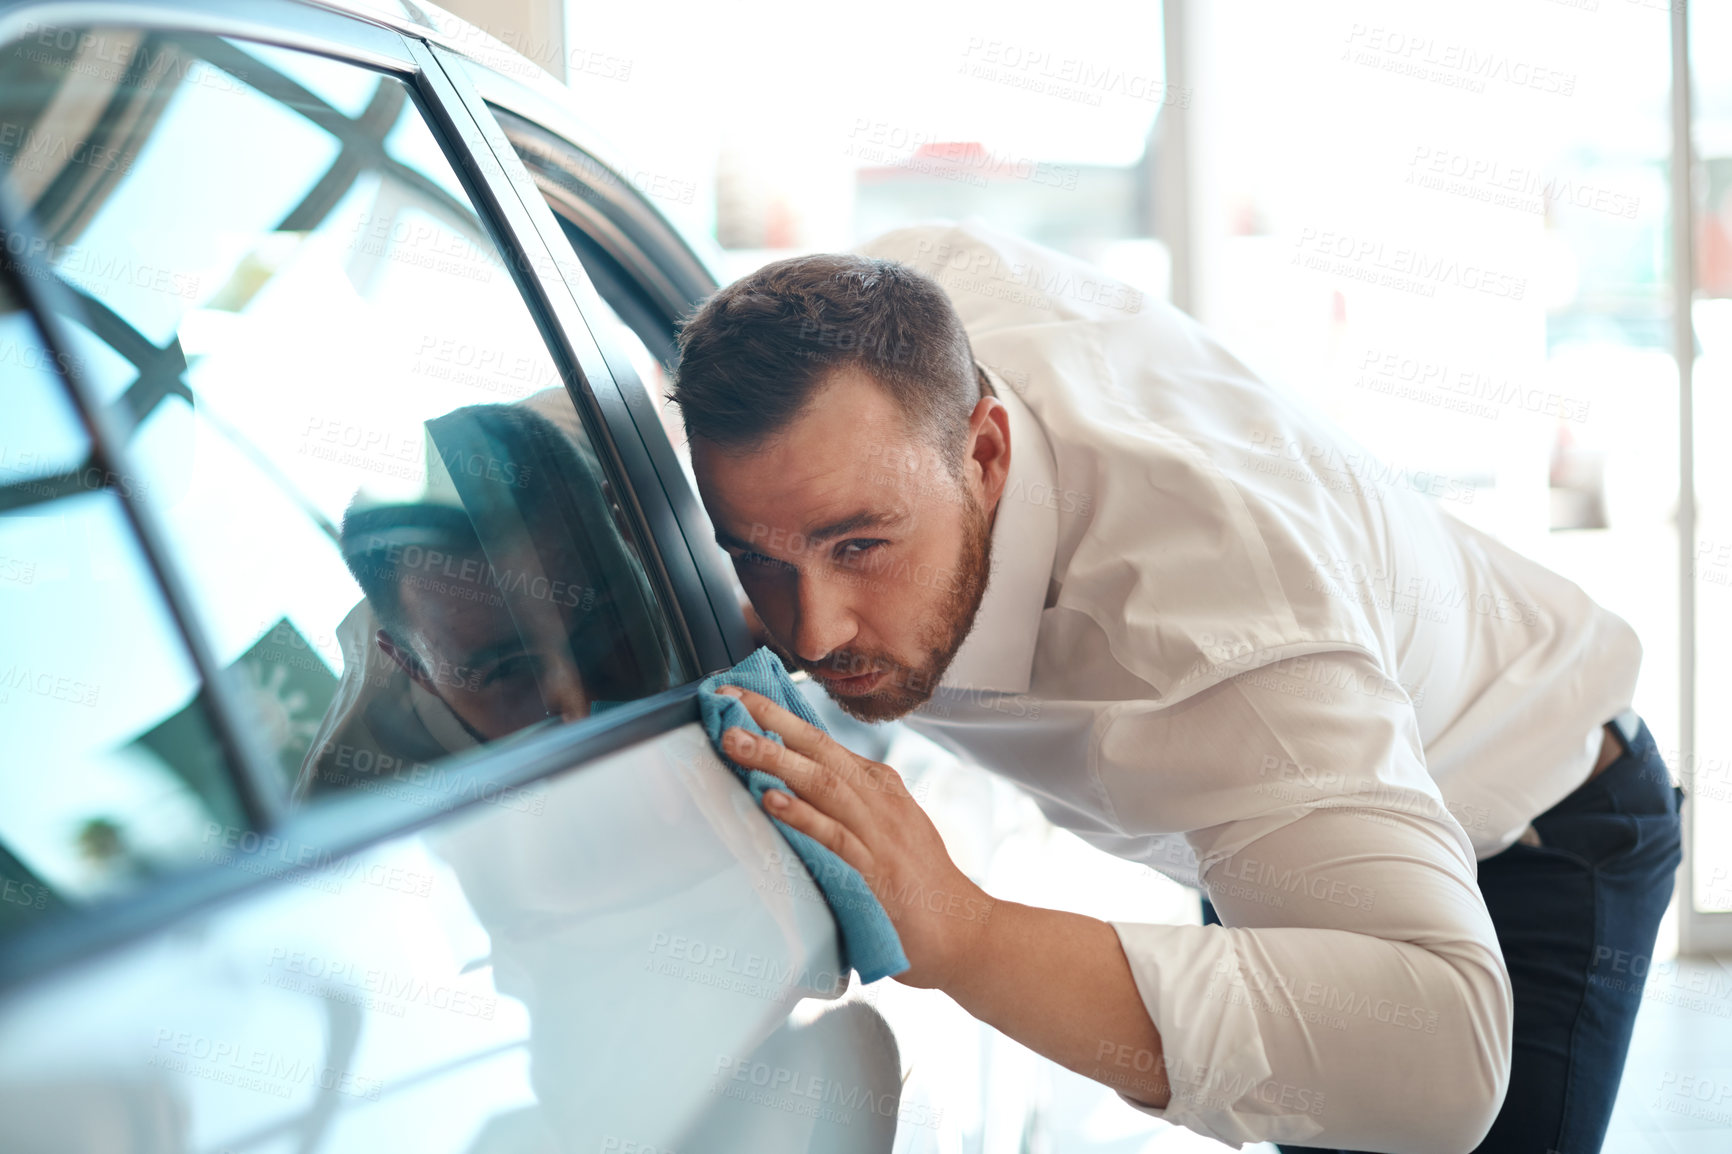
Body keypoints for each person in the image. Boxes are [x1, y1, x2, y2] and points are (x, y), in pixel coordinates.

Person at [671, 219, 1685, 1153]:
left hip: (1525, 817)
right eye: (754, 556)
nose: (810, 629)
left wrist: (959, 926)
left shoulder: (1225, 624)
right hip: (1266, 824)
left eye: (860, 543)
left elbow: (1446, 1055)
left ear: (983, 453)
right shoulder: (893, 319)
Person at [296, 395, 673, 799]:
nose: (585, 711)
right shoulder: (353, 805)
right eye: (509, 669)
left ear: (631, 535)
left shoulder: (612, 423)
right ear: (412, 667)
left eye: (603, 623)